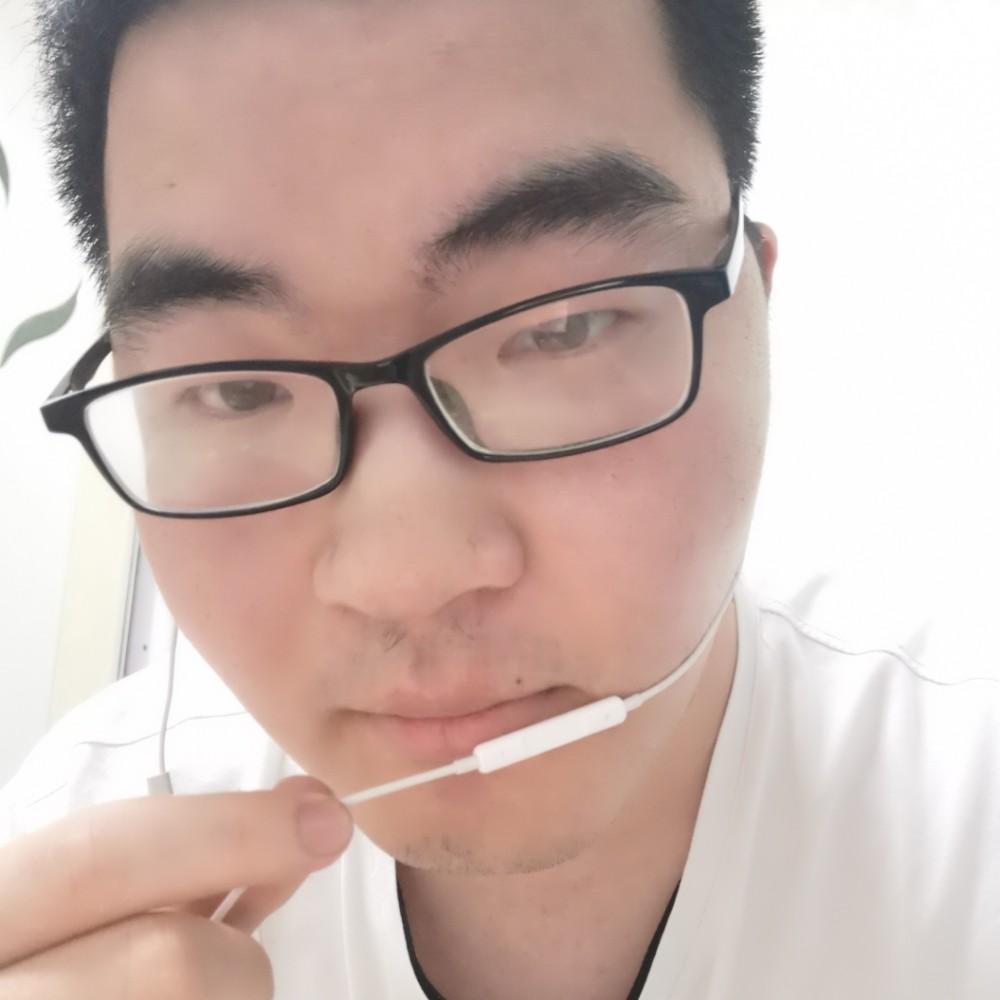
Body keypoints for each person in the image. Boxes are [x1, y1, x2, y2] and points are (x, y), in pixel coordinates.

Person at [1, 0, 997, 997]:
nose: (404, 580)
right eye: (238, 390)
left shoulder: (964, 815)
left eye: (562, 329)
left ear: (754, 302)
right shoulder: (79, 856)